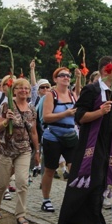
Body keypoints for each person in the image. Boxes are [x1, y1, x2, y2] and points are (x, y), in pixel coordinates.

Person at [57, 56, 112, 224]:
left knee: (101, 184)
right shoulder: (91, 90)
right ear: (105, 70)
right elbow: (79, 117)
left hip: (110, 144)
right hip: (92, 145)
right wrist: (99, 112)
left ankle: (89, 220)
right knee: (94, 182)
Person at [0, 78, 40, 224]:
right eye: (20, 88)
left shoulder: (32, 109)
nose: (24, 91)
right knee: (2, 183)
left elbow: (34, 131)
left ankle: (21, 214)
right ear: (14, 90)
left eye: (26, 88)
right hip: (4, 149)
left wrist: (37, 151)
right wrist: (6, 121)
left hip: (23, 150)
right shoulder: (6, 105)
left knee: (22, 182)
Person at [40, 67, 77, 213]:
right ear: (55, 79)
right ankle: (46, 199)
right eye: (62, 75)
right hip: (53, 136)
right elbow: (46, 117)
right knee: (50, 169)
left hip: (70, 135)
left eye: (68, 75)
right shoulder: (51, 95)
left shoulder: (73, 95)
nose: (66, 78)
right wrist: (66, 113)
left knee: (74, 168)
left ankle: (73, 199)